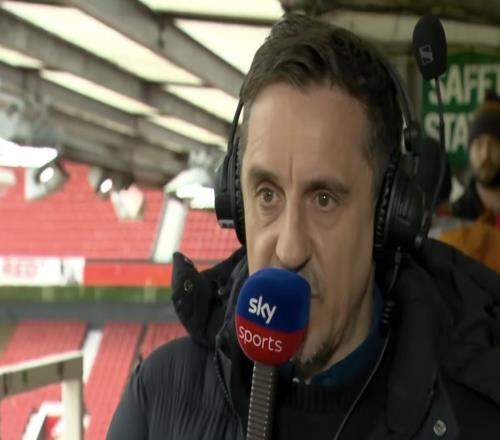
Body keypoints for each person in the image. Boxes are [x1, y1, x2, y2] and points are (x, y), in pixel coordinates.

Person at [107, 14, 500, 439]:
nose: (290, 249)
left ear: (388, 217)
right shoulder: (159, 397)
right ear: (236, 199)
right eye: (267, 195)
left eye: (324, 199)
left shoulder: (477, 416)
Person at [451, 92, 500, 227]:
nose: (485, 154)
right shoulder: (455, 215)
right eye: (479, 144)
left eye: (494, 144)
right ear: (469, 149)